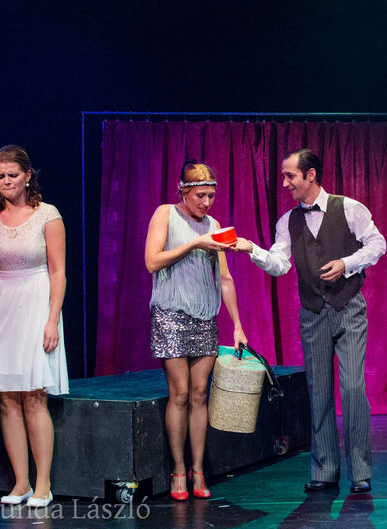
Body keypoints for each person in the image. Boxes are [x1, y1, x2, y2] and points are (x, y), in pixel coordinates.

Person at [233, 148, 386, 494]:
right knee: (318, 391)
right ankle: (325, 469)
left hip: (348, 307)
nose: (285, 183)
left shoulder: (349, 208)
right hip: (313, 312)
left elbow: (378, 244)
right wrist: (251, 249)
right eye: (284, 176)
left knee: (353, 388)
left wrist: (347, 263)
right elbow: (280, 265)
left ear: (311, 175)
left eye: (290, 176)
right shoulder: (287, 221)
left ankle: (360, 470)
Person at [0, 145, 68, 508]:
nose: (7, 181)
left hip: (36, 304)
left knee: (34, 397)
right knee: (8, 398)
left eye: (13, 175)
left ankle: (43, 484)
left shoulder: (48, 215)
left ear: (28, 176)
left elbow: (58, 272)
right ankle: (21, 482)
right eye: (1, 176)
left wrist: (52, 319)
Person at [144, 160, 248, 501]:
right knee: (180, 393)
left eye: (210, 196)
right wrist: (194, 244)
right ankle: (178, 469)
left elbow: (225, 278)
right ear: (183, 191)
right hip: (171, 314)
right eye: (200, 195)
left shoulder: (214, 225)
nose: (206, 202)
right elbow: (152, 261)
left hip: (205, 316)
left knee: (200, 393)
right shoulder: (165, 214)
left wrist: (237, 325)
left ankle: (198, 469)